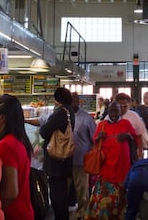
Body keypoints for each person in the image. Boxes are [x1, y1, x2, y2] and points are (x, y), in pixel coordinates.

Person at [86, 101, 138, 219]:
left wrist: (128, 136)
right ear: (108, 111)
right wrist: (99, 137)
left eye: (116, 111)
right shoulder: (102, 125)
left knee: (122, 201)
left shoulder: (126, 124)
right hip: (106, 169)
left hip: (122, 168)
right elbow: (94, 143)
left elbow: (135, 141)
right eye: (111, 111)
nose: (114, 114)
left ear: (120, 111)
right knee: (105, 204)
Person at [0, 94, 34, 220]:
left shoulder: (5, 146)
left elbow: (10, 193)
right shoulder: (19, 140)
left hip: (12, 214)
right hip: (23, 210)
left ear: (2, 118)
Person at [39, 87, 75, 220]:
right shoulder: (69, 111)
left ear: (58, 98)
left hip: (56, 161)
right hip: (65, 160)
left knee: (57, 195)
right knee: (61, 193)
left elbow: (44, 131)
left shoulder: (60, 113)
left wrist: (44, 125)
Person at [71, 91, 97, 220]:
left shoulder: (86, 118)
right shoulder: (61, 116)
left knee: (82, 189)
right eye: (71, 98)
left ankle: (83, 211)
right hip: (63, 160)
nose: (73, 100)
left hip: (81, 160)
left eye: (75, 98)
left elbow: (95, 139)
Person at [115, 93, 146, 159]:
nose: (122, 108)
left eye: (125, 106)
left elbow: (139, 135)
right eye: (120, 106)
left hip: (131, 149)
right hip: (114, 150)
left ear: (129, 105)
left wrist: (140, 151)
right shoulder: (111, 116)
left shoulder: (134, 116)